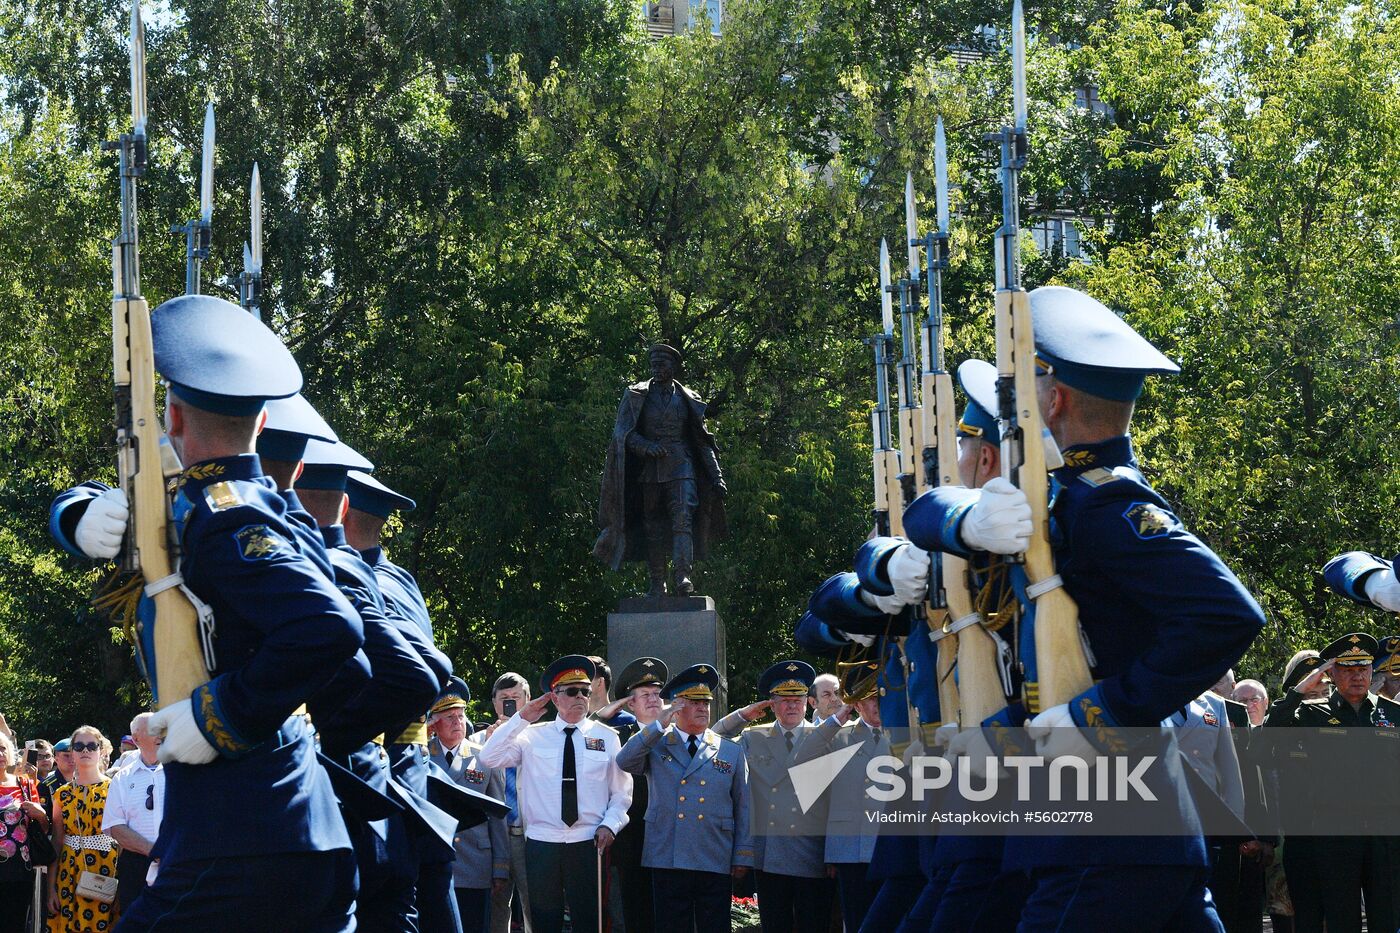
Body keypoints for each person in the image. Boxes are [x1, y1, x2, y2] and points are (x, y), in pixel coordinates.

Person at [902, 286, 1267, 930]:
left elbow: (1226, 613)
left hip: (1104, 835)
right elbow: (927, 511)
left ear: (1055, 397)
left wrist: (1104, 712)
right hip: (1128, 829)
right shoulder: (1055, 506)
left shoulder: (1098, 506)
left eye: (1027, 382)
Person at [48, 294, 363, 931]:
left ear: (173, 415)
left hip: (238, 836)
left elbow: (330, 630)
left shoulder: (225, 517)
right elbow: (350, 666)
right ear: (263, 419)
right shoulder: (265, 505)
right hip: (292, 826)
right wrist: (77, 512)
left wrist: (220, 714)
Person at [343, 468, 462, 933]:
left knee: (395, 904)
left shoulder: (363, 583)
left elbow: (405, 677)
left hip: (379, 770)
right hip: (403, 767)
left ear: (343, 511)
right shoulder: (398, 579)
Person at [479, 656, 632, 933]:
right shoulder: (532, 735)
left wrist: (611, 824)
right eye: (572, 691)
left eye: (585, 691)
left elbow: (621, 793)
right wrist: (521, 718)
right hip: (542, 841)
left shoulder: (607, 737)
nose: (580, 697)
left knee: (589, 920)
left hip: (588, 840)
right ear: (555, 696)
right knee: (544, 920)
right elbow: (489, 757)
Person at [1264, 632, 1400, 933]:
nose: (1357, 677)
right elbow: (1265, 740)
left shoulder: (1391, 713)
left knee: (1388, 919)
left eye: (1363, 669)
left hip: (1385, 835)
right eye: (1348, 670)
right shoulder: (1311, 714)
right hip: (1335, 833)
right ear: (1332, 673)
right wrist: (1300, 690)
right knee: (1342, 920)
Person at [616, 663, 752, 932]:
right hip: (669, 853)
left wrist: (743, 855)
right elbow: (624, 760)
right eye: (694, 701)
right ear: (676, 706)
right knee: (671, 925)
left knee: (714, 925)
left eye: (706, 702)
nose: (703, 708)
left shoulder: (729, 750)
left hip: (713, 852)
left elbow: (744, 806)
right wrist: (658, 724)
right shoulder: (656, 743)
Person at [593, 343, 728, 596]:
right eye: (653, 365)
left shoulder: (689, 398)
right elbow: (622, 435)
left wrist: (716, 476)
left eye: (661, 365)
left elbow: (702, 441)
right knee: (653, 528)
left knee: (682, 522)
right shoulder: (635, 395)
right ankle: (657, 583)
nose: (656, 369)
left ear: (673, 367)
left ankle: (682, 577)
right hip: (650, 472)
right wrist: (645, 446)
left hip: (682, 467)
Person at [713, 660, 833, 933]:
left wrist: (834, 853)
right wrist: (743, 715)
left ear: (807, 702)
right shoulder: (753, 736)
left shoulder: (827, 737)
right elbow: (712, 739)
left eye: (797, 699)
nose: (792, 706)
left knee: (814, 925)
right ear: (771, 703)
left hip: (814, 853)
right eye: (783, 699)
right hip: (770, 855)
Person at [793, 661, 888, 933]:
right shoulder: (838, 735)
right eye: (869, 699)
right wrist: (836, 720)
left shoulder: (902, 731)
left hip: (891, 844)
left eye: (880, 695)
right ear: (856, 704)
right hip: (852, 851)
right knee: (857, 922)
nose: (877, 703)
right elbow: (803, 759)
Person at [592, 657, 667, 933]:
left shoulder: (677, 734)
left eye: (658, 694)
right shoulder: (618, 735)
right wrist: (607, 710)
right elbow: (587, 730)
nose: (653, 699)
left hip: (669, 833)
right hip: (632, 835)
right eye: (644, 695)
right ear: (630, 704)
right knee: (634, 908)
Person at [430, 680, 509, 933]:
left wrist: (500, 867)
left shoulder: (484, 756)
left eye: (461, 716)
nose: (458, 722)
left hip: (476, 862)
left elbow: (498, 815)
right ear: (434, 723)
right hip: (436, 861)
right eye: (449, 716)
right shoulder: (421, 756)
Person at [471, 673, 533, 933]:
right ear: (494, 703)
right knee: (495, 911)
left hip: (529, 835)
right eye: (503, 699)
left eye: (516, 698)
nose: (510, 704)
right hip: (491, 837)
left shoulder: (540, 738)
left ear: (528, 700)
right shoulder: (475, 743)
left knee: (535, 907)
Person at [48, 726, 119, 933]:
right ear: (73, 752)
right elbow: (57, 841)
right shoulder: (61, 794)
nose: (85, 751)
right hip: (68, 871)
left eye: (91, 746)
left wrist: (122, 887)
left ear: (101, 750)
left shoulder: (115, 788)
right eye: (79, 746)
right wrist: (50, 888)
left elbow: (122, 839)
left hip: (105, 869)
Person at [99, 714, 162, 912]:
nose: (161, 735)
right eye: (154, 730)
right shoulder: (122, 778)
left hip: (178, 863)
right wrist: (154, 851)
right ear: (136, 739)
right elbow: (115, 827)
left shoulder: (182, 772)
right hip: (136, 866)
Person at [0, 730, 48, 933]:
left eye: (2, 749)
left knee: (16, 925)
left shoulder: (25, 784)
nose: (0, 754)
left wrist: (40, 814)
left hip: (19, 873)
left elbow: (42, 829)